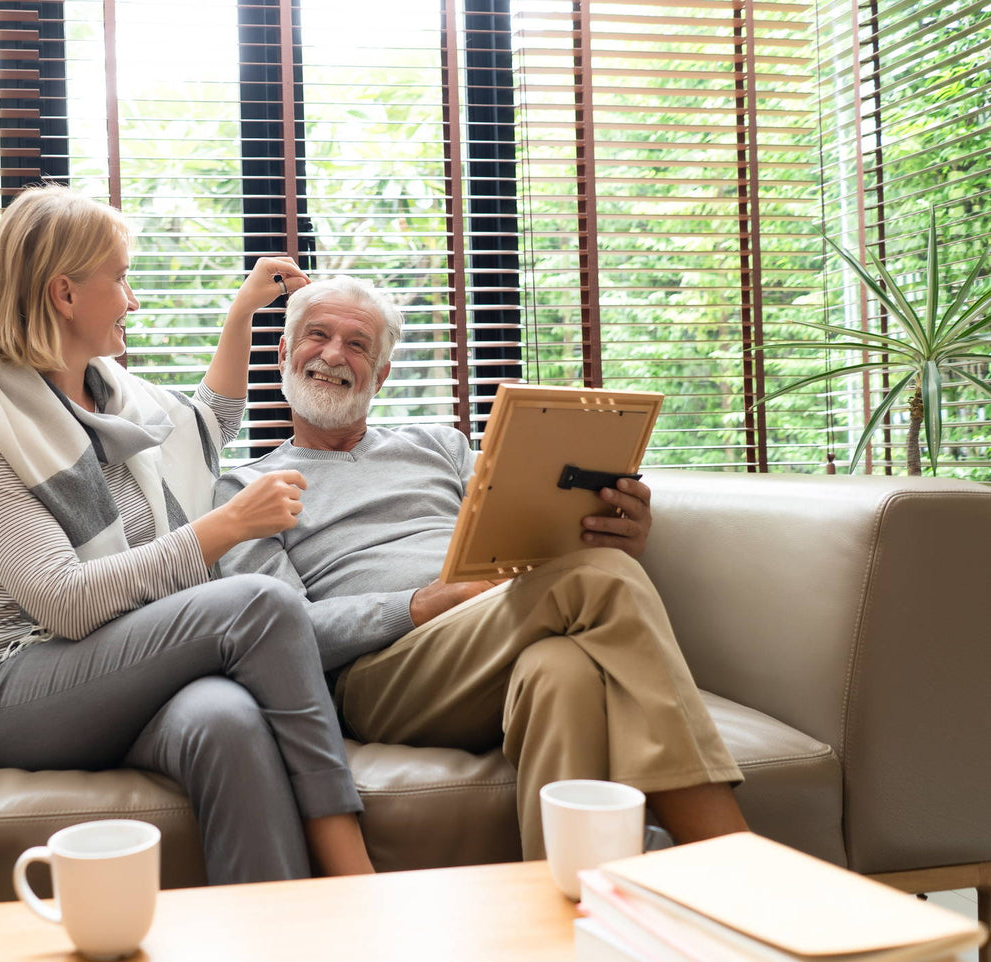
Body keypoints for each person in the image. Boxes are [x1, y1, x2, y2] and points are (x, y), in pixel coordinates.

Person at [213, 275, 749, 861]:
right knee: (602, 577)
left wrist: (613, 526)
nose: (335, 355)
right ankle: (725, 861)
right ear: (284, 353)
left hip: (491, 642)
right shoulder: (246, 488)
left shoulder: (439, 446)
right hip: (383, 675)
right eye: (317, 336)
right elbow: (281, 635)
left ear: (381, 374)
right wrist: (423, 603)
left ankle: (562, 907)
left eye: (359, 345)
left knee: (561, 670)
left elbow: (524, 527)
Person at [0, 186, 373, 885]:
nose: (131, 299)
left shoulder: (113, 398)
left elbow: (206, 425)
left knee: (226, 719)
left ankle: (280, 946)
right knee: (259, 602)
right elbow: (63, 601)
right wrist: (223, 527)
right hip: (15, 687)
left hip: (119, 668)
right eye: (118, 277)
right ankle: (354, 877)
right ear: (64, 294)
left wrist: (242, 313)